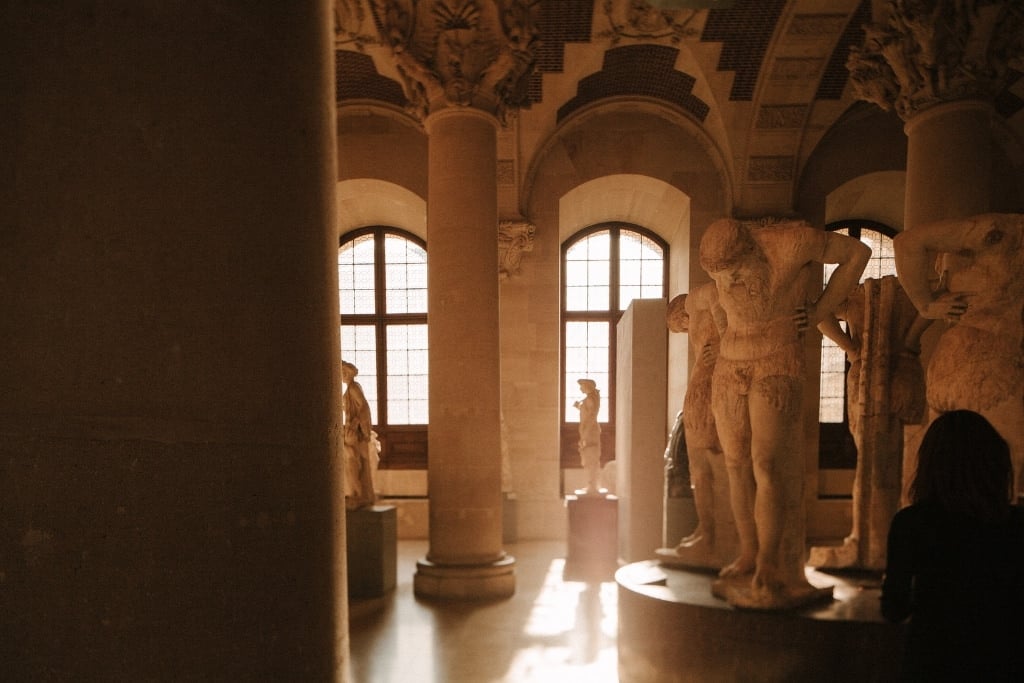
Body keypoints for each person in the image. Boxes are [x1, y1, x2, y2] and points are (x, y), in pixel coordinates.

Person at [700, 217, 870, 607]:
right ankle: (747, 553)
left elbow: (858, 253)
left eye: (735, 274)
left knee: (767, 465)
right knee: (736, 464)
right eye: (718, 277)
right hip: (730, 364)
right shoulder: (725, 274)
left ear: (752, 252)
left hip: (776, 361)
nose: (729, 284)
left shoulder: (793, 243)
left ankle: (770, 563)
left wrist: (818, 312)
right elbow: (723, 308)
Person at [881, 410, 1024, 682]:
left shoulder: (911, 524)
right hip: (1004, 660)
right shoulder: (1017, 524)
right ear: (995, 461)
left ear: (930, 464)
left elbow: (894, 609)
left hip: (934, 661)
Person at [893, 213, 1024, 497]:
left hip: (955, 357)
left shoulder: (989, 242)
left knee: (945, 464)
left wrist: (927, 308)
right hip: (987, 362)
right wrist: (926, 305)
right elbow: (907, 242)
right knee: (1009, 462)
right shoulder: (1004, 230)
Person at [666, 282, 726, 552]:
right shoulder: (707, 314)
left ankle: (714, 532)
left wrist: (726, 341)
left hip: (708, 392)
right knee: (700, 468)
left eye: (680, 326)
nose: (684, 330)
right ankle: (707, 528)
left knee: (706, 467)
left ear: (680, 313)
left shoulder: (702, 303)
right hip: (701, 391)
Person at [342, 360, 377, 510]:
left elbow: (363, 406)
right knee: (354, 462)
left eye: (343, 373)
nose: (341, 376)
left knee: (354, 462)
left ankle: (361, 494)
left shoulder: (354, 387)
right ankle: (360, 494)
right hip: (351, 430)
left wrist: (357, 424)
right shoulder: (350, 388)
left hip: (354, 432)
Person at [573, 378, 604, 495]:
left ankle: (593, 486)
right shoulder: (590, 399)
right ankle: (591, 484)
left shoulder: (591, 399)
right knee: (588, 457)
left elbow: (592, 417)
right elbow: (588, 413)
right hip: (588, 431)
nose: (580, 388)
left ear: (587, 386)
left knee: (591, 458)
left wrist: (585, 435)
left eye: (582, 386)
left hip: (590, 432)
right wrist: (579, 407)